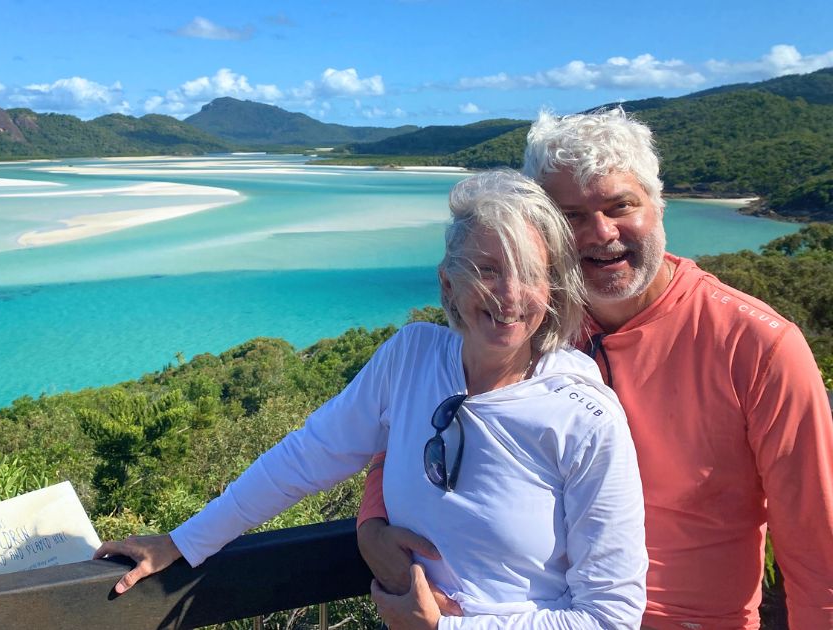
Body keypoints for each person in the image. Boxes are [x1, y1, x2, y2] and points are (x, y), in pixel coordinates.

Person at [95, 170, 649, 628]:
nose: (509, 295)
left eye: (530, 274)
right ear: (447, 284)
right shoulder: (411, 358)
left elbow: (612, 615)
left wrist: (446, 628)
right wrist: (184, 541)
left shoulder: (583, 417)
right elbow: (308, 456)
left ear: (551, 290)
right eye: (486, 270)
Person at [357, 109, 833, 629]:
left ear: (657, 205)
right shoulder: (526, 318)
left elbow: (817, 550)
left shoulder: (757, 346)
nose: (601, 233)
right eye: (572, 216)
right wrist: (372, 522)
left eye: (620, 205)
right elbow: (418, 411)